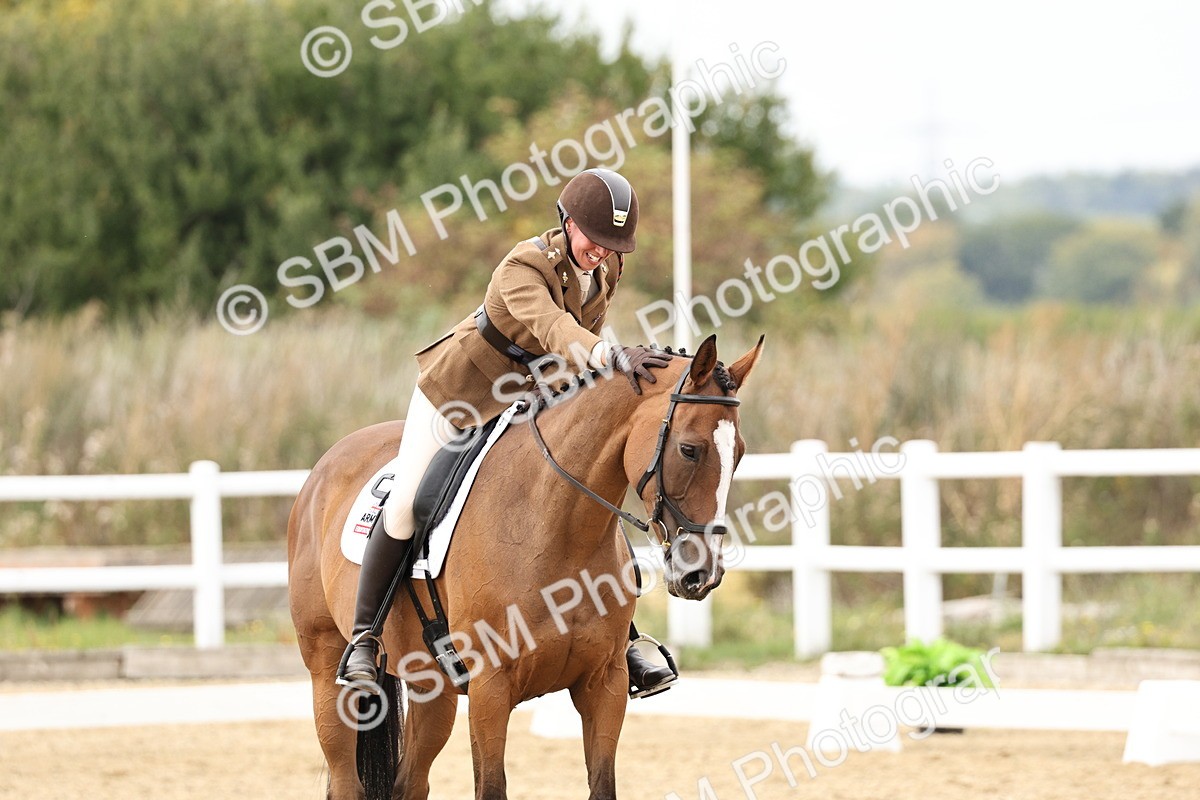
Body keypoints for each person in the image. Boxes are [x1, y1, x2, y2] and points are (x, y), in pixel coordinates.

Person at [340, 168, 677, 697]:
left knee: (586, 500)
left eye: (613, 245)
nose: (601, 252)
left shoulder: (604, 272)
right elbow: (554, 329)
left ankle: (623, 637)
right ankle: (364, 640)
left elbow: (572, 348)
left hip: (532, 402)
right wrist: (612, 355)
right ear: (567, 223)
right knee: (406, 502)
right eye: (594, 238)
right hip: (460, 395)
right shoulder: (523, 266)